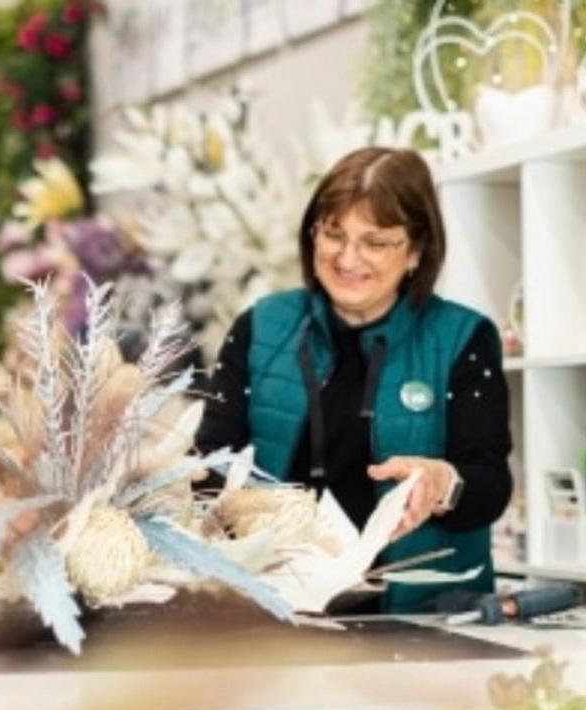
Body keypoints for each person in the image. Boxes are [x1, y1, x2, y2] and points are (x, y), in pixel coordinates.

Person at [196, 147, 512, 613]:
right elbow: (209, 468)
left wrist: (442, 483)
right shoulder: (261, 327)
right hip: (279, 616)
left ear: (416, 251)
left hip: (421, 619)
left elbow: (490, 487)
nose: (348, 258)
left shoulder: (463, 337)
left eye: (375, 242)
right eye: (333, 234)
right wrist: (245, 514)